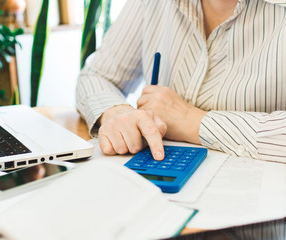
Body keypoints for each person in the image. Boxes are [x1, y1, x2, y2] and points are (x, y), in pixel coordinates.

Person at [76, 0, 286, 239]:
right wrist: (117, 111)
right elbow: (97, 75)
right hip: (153, 212)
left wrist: (192, 120)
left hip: (257, 221)